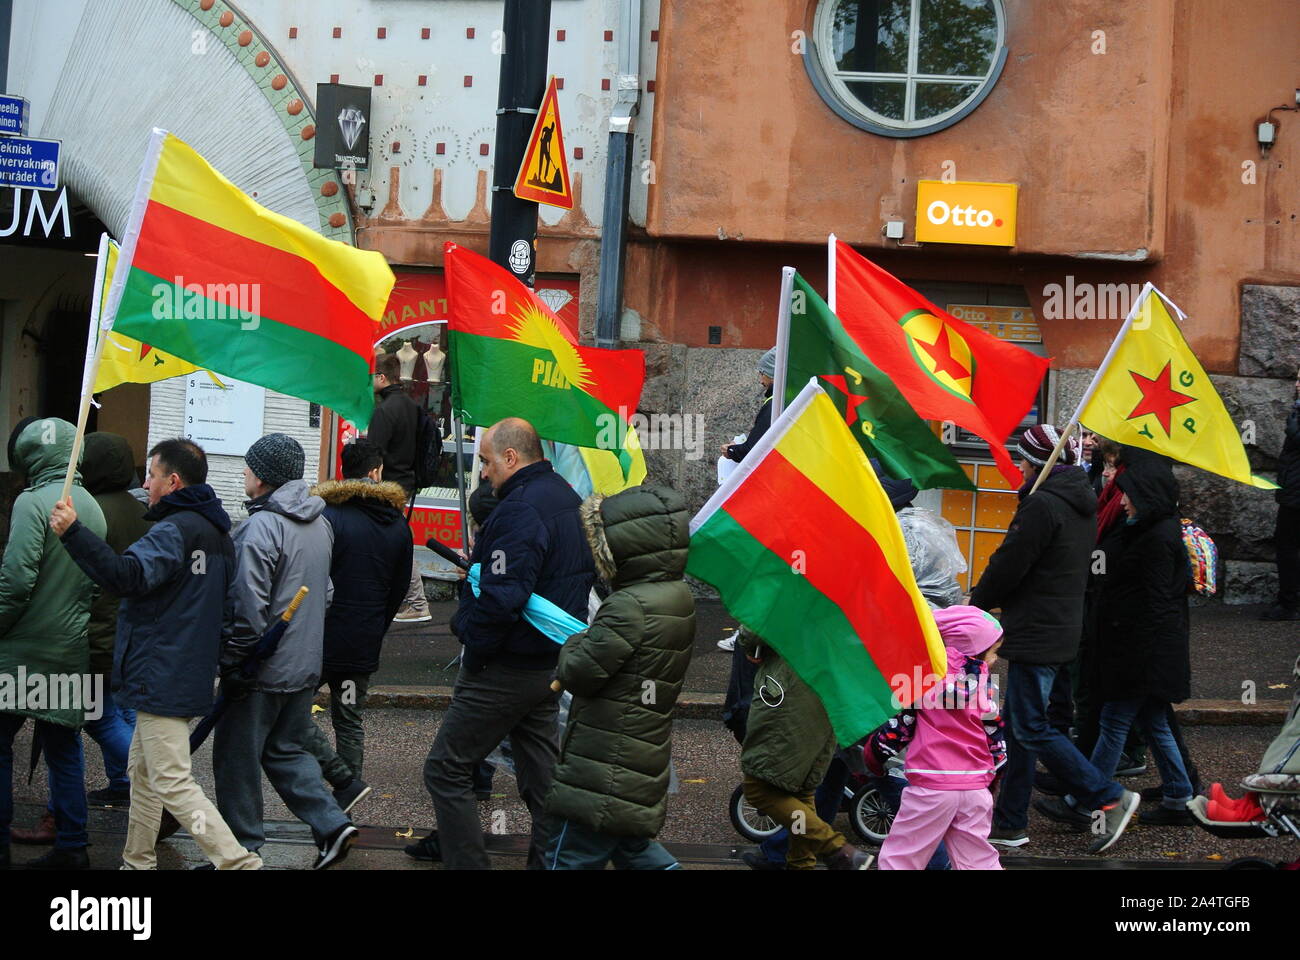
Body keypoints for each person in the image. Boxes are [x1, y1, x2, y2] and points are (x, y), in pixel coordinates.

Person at [52, 437, 262, 870]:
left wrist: (73, 532)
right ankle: (137, 861)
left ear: (173, 480)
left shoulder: (173, 530)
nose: (145, 483)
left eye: (150, 474)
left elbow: (125, 576)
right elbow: (227, 612)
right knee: (145, 778)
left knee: (170, 780)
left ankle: (238, 863)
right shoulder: (218, 534)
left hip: (160, 674)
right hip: (185, 673)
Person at [411, 418, 594, 869]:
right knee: (541, 777)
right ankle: (554, 862)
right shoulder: (565, 497)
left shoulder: (518, 510)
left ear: (511, 457)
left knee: (446, 769)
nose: (486, 472)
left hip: (504, 665)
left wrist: (468, 634)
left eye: (489, 462)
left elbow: (502, 597)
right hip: (546, 662)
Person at [971, 424, 1139, 854]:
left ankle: (1106, 794)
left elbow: (1011, 563)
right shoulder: (1077, 499)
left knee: (1029, 725)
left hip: (1037, 631)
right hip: (1062, 626)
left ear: (1035, 464)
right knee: (1024, 727)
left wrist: (977, 604)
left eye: (1023, 462)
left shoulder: (1042, 504)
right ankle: (1009, 822)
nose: (1020, 469)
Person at [214, 433, 357, 870]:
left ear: (262, 477)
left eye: (248, 467)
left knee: (236, 761)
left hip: (261, 669)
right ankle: (333, 825)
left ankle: (242, 849)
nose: (244, 473)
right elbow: (326, 594)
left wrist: (234, 661)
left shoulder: (260, 527)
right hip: (303, 665)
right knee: (286, 751)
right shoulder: (320, 523)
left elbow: (246, 605)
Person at [542, 486, 696, 869]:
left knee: (568, 855)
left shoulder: (628, 606)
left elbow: (580, 673)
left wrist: (574, 642)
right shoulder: (675, 594)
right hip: (638, 749)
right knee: (630, 846)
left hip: (604, 758)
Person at [10, 432, 152, 846]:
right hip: (121, 639)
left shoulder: (81, 509)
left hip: (90, 638)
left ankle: (155, 791)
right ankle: (124, 792)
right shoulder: (140, 510)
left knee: (91, 722)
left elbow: (45, 579)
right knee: (112, 717)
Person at [0, 417, 106, 870]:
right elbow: (97, 584)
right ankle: (73, 845)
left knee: (0, 744)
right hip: (70, 649)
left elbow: (16, 582)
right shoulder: (91, 507)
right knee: (65, 749)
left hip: (22, 651)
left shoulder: (32, 503)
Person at [1081, 449, 1196, 825]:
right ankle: (1180, 796)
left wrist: (1139, 658)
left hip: (1142, 654)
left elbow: (1156, 605)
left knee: (1115, 720)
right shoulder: (1149, 531)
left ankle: (1089, 799)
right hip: (1146, 653)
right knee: (1154, 723)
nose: (1124, 500)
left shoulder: (1156, 539)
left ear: (1146, 495)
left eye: (1128, 493)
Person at [303, 438, 413, 813]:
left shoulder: (327, 517)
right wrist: (375, 626)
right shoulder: (397, 525)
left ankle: (335, 775)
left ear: (343, 471)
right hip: (360, 645)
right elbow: (398, 590)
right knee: (348, 717)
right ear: (376, 472)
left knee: (291, 710)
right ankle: (345, 798)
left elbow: (313, 576)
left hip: (320, 641)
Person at [866, 606, 1006, 870]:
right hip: (975, 788)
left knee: (903, 856)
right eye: (993, 652)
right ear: (972, 650)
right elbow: (996, 739)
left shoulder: (923, 681)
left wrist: (873, 757)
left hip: (931, 786)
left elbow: (899, 730)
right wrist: (993, 778)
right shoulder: (986, 687)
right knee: (977, 859)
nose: (995, 659)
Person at [738, 629, 875, 871]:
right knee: (801, 792)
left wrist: (749, 644)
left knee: (759, 789)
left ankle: (837, 849)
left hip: (791, 690)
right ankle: (802, 865)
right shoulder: (860, 593)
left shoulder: (797, 589)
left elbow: (757, 627)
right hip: (832, 690)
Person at [367, 353, 431, 624]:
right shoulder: (411, 405)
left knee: (393, 544)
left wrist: (370, 487)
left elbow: (374, 456)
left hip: (387, 487)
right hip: (406, 483)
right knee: (394, 541)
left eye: (371, 377)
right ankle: (401, 599)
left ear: (382, 377)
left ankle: (417, 602)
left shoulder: (384, 411)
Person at [1264, 368, 1300, 620]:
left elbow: (1297, 435)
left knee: (1288, 547)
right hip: (1294, 490)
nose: (1297, 383)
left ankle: (1290, 604)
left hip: (1297, 495)